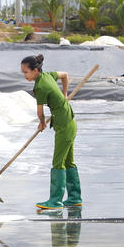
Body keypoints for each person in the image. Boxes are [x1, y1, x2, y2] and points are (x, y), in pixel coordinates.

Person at [20, 54, 81, 210]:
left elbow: (40, 112)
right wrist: (64, 94)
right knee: (68, 162)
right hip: (70, 123)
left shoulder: (40, 87)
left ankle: (55, 201)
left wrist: (41, 122)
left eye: (26, 72)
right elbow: (65, 75)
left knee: (58, 163)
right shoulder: (48, 76)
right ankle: (74, 198)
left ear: (35, 70)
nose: (24, 76)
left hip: (64, 126)